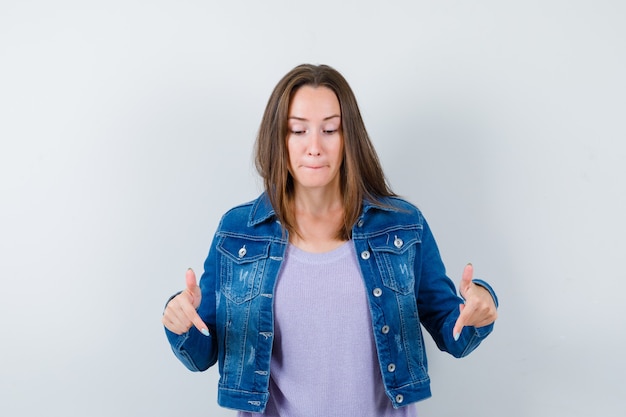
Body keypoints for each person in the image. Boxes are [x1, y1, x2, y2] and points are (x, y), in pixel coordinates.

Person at [162, 64, 498, 416]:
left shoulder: (402, 226)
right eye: (298, 130)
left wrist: (481, 309)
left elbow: (452, 330)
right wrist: (180, 324)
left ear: (348, 137)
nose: (314, 147)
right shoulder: (239, 232)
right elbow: (203, 352)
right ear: (278, 138)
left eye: (330, 129)